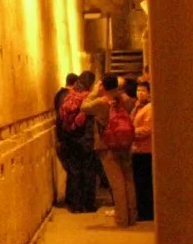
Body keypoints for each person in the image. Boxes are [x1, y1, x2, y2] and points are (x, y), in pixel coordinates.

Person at [82, 74, 137, 227]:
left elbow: (84, 106)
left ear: (103, 86)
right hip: (124, 143)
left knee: (117, 183)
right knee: (128, 180)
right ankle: (132, 216)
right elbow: (132, 103)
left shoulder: (101, 102)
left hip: (107, 145)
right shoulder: (125, 100)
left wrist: (94, 92)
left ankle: (122, 219)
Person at [59, 72, 99, 212]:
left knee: (75, 172)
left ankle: (75, 205)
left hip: (70, 138)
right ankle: (88, 204)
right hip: (85, 139)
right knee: (88, 171)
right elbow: (90, 121)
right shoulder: (88, 98)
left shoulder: (69, 96)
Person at [54, 73, 79, 204]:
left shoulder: (59, 95)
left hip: (62, 137)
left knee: (69, 170)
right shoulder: (68, 97)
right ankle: (73, 200)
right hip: (68, 137)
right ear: (75, 84)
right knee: (73, 170)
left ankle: (70, 199)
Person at [132, 80, 154, 222]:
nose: (140, 93)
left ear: (149, 93)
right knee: (139, 183)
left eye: (143, 91)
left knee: (144, 183)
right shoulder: (137, 106)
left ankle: (147, 213)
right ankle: (142, 211)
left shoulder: (150, 108)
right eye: (138, 90)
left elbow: (148, 128)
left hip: (146, 149)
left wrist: (131, 132)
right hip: (137, 149)